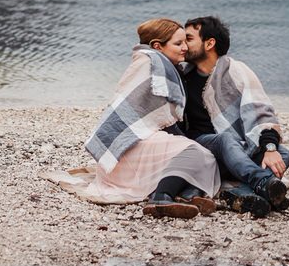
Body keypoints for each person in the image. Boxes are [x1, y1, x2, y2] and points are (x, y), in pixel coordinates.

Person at [82, 18, 221, 218]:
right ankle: (161, 197)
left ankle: (188, 195)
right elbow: (160, 119)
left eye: (185, 42)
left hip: (133, 144)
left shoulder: (152, 62)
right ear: (158, 46)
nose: (185, 48)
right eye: (178, 43)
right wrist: (185, 142)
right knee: (197, 153)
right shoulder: (155, 66)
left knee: (204, 157)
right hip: (128, 148)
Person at [180, 16, 289, 218]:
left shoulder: (236, 71)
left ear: (209, 43)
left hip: (236, 151)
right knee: (226, 139)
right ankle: (261, 182)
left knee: (283, 155)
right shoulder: (182, 75)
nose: (183, 45)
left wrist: (270, 147)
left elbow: (261, 111)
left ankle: (242, 194)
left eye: (188, 39)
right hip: (202, 148)